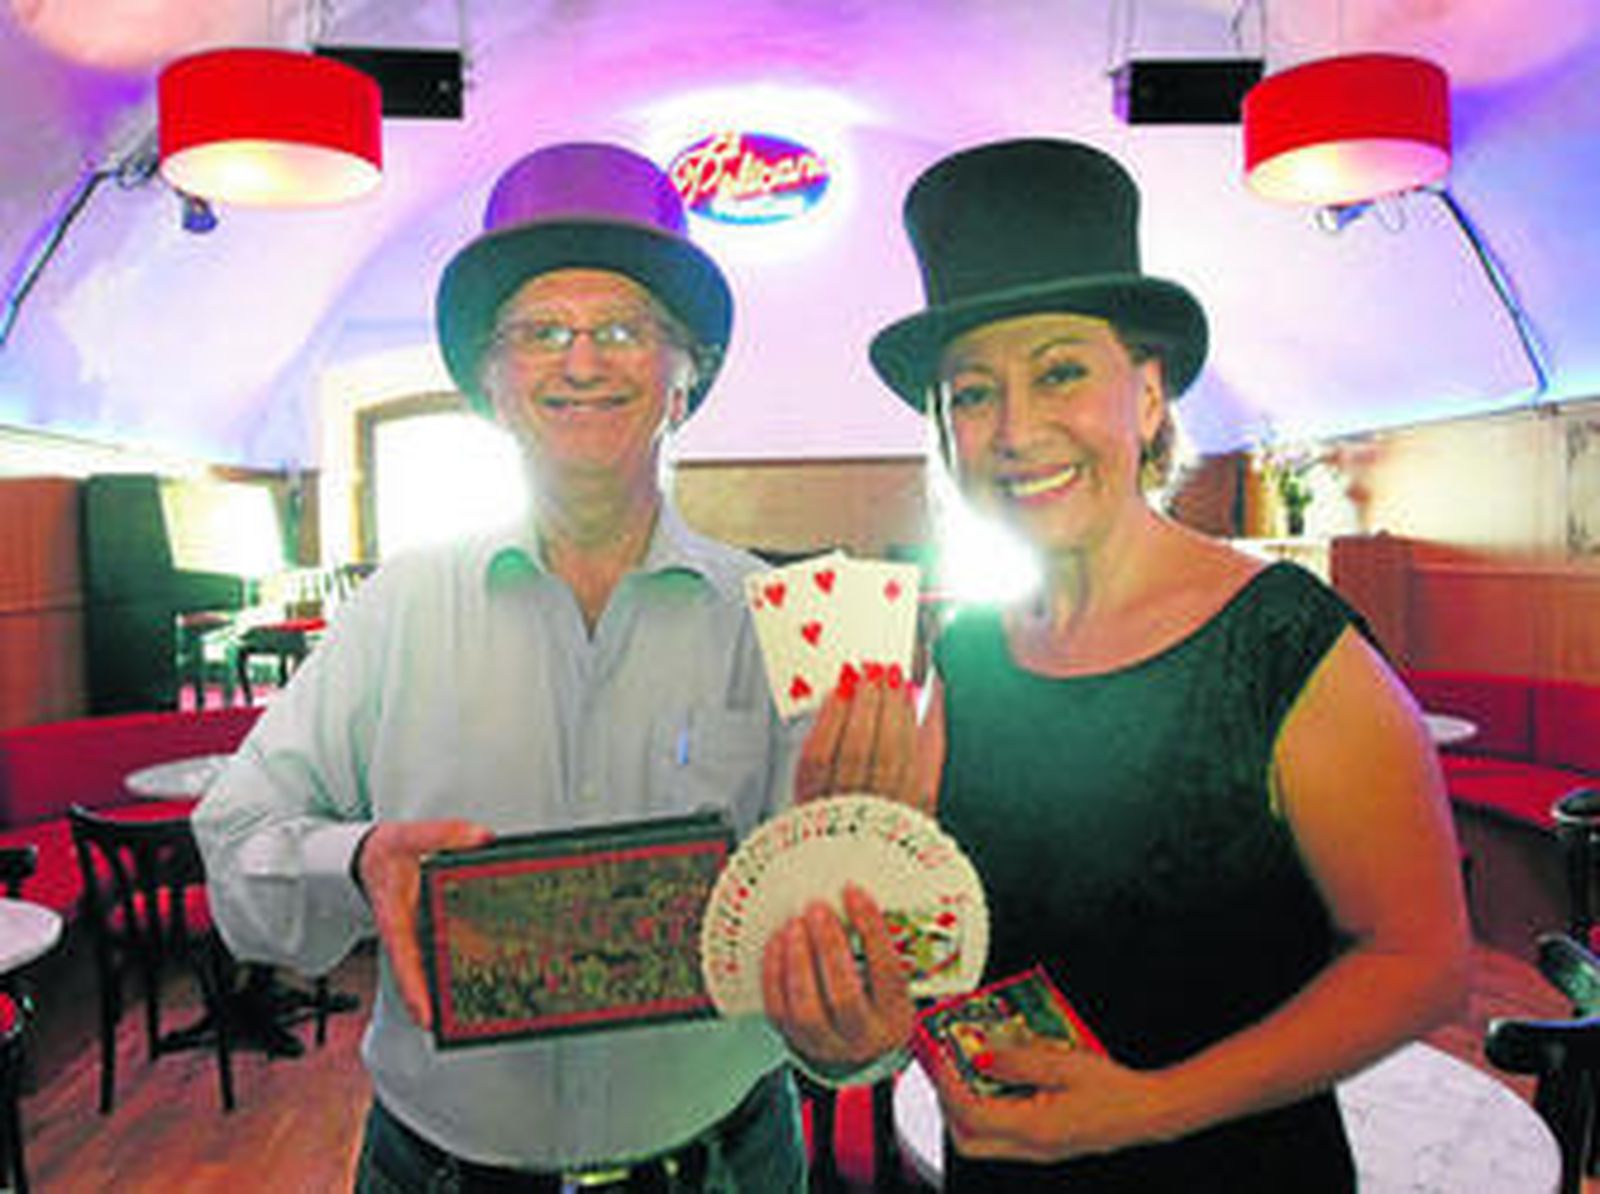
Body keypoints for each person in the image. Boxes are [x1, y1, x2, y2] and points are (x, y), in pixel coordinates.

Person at [193, 141, 907, 1193]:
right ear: (491, 386)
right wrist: (358, 861)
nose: (581, 361)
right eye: (538, 332)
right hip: (437, 1173)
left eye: (623, 329)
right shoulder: (396, 608)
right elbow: (235, 841)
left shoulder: (789, 621)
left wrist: (851, 1031)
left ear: (684, 379)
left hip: (726, 1164)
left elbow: (846, 922)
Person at [812, 138, 1472, 1190]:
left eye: (1060, 372)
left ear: (1149, 393)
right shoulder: (966, 657)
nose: (1016, 429)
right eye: (972, 393)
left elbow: (1421, 961)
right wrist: (853, 968)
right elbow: (935, 949)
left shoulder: (1284, 643)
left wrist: (1151, 1107)